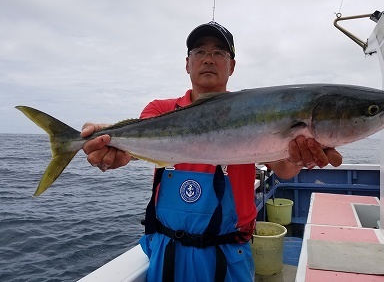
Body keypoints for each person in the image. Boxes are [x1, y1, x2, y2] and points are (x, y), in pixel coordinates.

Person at [81, 21, 342, 281]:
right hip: (166, 250)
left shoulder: (255, 113)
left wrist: (300, 155)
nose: (208, 59)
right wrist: (110, 142)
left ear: (232, 66)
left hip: (229, 255)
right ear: (187, 63)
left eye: (219, 52)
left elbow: (284, 169)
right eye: (199, 52)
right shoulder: (160, 111)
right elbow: (135, 149)